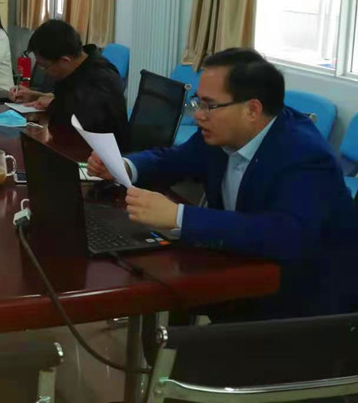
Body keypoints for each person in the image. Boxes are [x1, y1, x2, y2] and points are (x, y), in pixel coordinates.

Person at [87, 48, 358, 320]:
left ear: (252, 110)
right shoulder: (223, 133)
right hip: (244, 263)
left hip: (302, 300)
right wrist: (125, 166)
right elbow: (175, 159)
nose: (198, 115)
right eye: (198, 103)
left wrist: (179, 216)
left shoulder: (305, 155)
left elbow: (286, 233)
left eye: (209, 105)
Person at [10, 20, 129, 150]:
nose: (44, 72)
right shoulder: (77, 69)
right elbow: (68, 99)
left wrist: (52, 104)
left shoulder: (101, 80)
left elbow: (76, 122)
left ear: (65, 60)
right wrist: (36, 96)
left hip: (96, 155)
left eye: (45, 67)